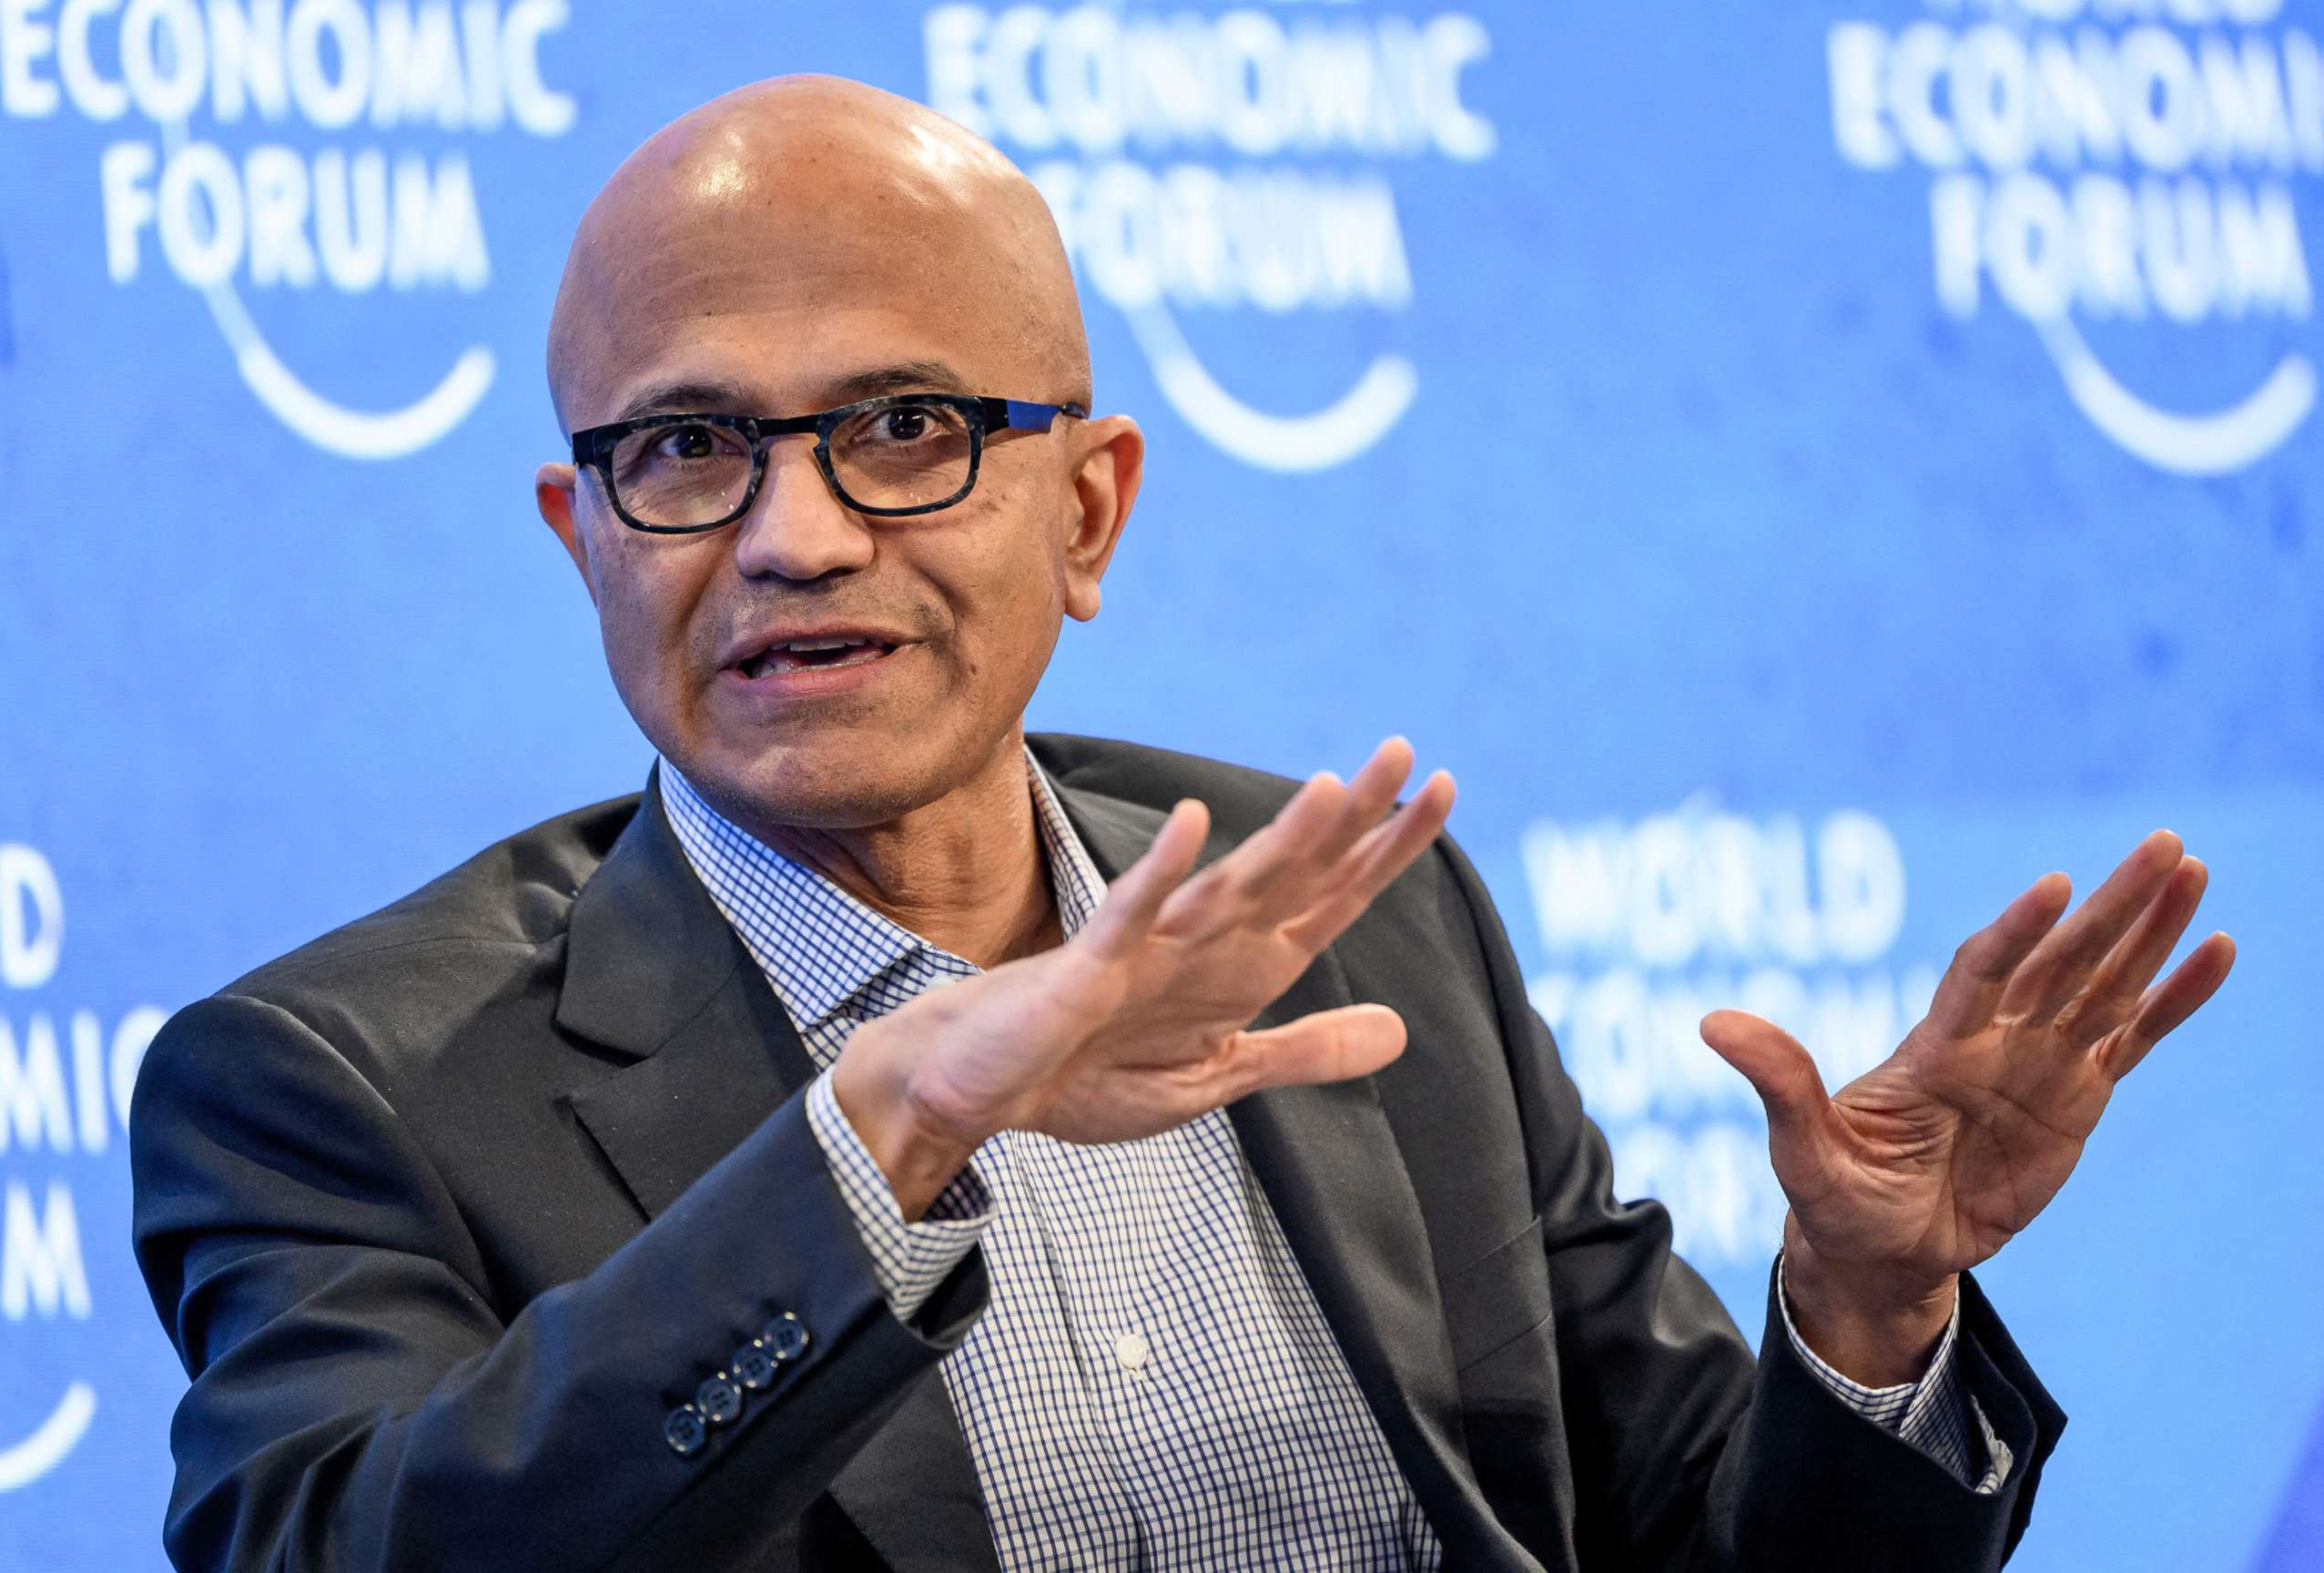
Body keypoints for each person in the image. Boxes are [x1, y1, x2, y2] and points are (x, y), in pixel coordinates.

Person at [129, 76, 2236, 1573]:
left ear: (1091, 509)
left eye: (904, 431)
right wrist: (882, 1140)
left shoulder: (1340, 915)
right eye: (686, 448)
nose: (790, 537)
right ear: (580, 534)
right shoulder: (336, 1085)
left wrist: (1866, 1314)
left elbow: (1687, 1529)